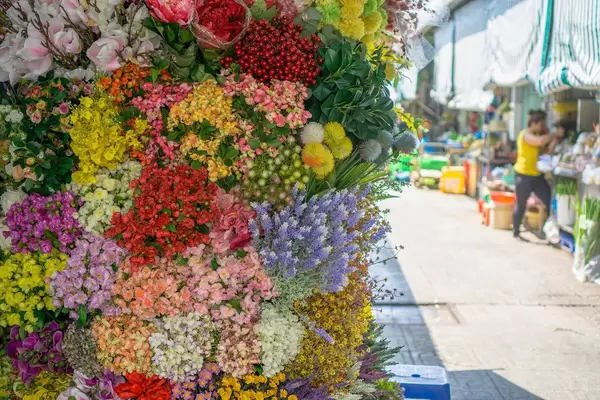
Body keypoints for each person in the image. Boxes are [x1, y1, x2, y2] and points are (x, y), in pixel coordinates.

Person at [512, 110, 557, 240]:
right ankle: (516, 232)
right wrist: (552, 134)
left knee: (549, 201)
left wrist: (554, 141)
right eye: (541, 124)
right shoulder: (525, 135)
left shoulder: (539, 135)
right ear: (534, 123)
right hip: (523, 174)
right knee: (521, 204)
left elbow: (546, 151)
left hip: (537, 176)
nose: (542, 127)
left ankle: (548, 231)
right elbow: (539, 141)